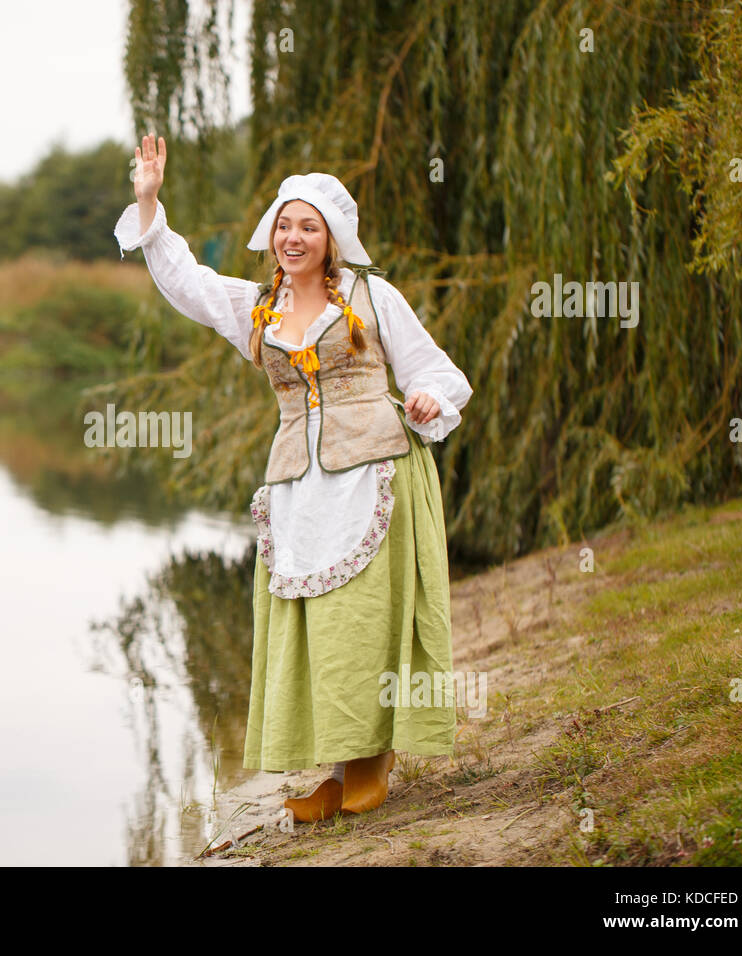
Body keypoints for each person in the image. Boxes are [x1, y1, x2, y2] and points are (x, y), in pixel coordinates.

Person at [113, 134, 473, 823]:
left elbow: (435, 370)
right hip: (300, 489)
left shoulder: (372, 295)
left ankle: (373, 756)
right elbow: (187, 282)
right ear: (271, 233)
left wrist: (430, 400)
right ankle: (336, 766)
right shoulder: (258, 306)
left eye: (309, 226)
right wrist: (151, 200)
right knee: (315, 624)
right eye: (285, 224)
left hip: (374, 472)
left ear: (333, 238)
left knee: (363, 618)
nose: (293, 236)